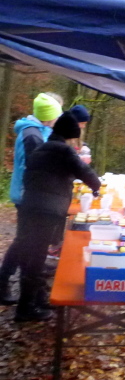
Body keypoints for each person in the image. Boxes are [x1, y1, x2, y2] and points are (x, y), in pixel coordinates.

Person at [10, 112, 101, 321]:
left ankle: (37, 298)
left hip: (29, 206)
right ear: (69, 135)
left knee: (31, 254)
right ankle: (25, 309)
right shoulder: (64, 150)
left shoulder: (41, 148)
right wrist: (96, 186)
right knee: (36, 257)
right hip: (46, 210)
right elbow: (84, 171)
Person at [0, 93, 62, 305]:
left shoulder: (37, 131)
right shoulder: (32, 135)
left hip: (31, 194)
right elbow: (37, 168)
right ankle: (10, 285)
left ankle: (21, 285)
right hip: (28, 195)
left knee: (25, 241)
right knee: (25, 242)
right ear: (50, 115)